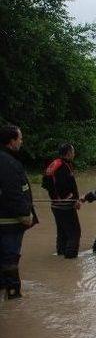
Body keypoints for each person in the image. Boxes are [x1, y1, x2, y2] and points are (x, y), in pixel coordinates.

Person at [0, 125, 38, 299]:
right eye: (20, 138)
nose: (22, 141)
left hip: (7, 218)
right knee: (10, 257)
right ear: (12, 141)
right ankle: (13, 294)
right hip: (9, 222)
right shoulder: (8, 162)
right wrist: (25, 214)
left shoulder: (7, 160)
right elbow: (14, 193)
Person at [42, 143, 82, 258]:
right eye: (73, 152)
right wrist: (73, 200)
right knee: (75, 232)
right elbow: (67, 185)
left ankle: (61, 255)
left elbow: (45, 184)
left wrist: (55, 197)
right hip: (65, 205)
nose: (74, 154)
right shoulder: (63, 166)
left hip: (55, 205)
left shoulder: (54, 164)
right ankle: (70, 259)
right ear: (68, 153)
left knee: (62, 232)